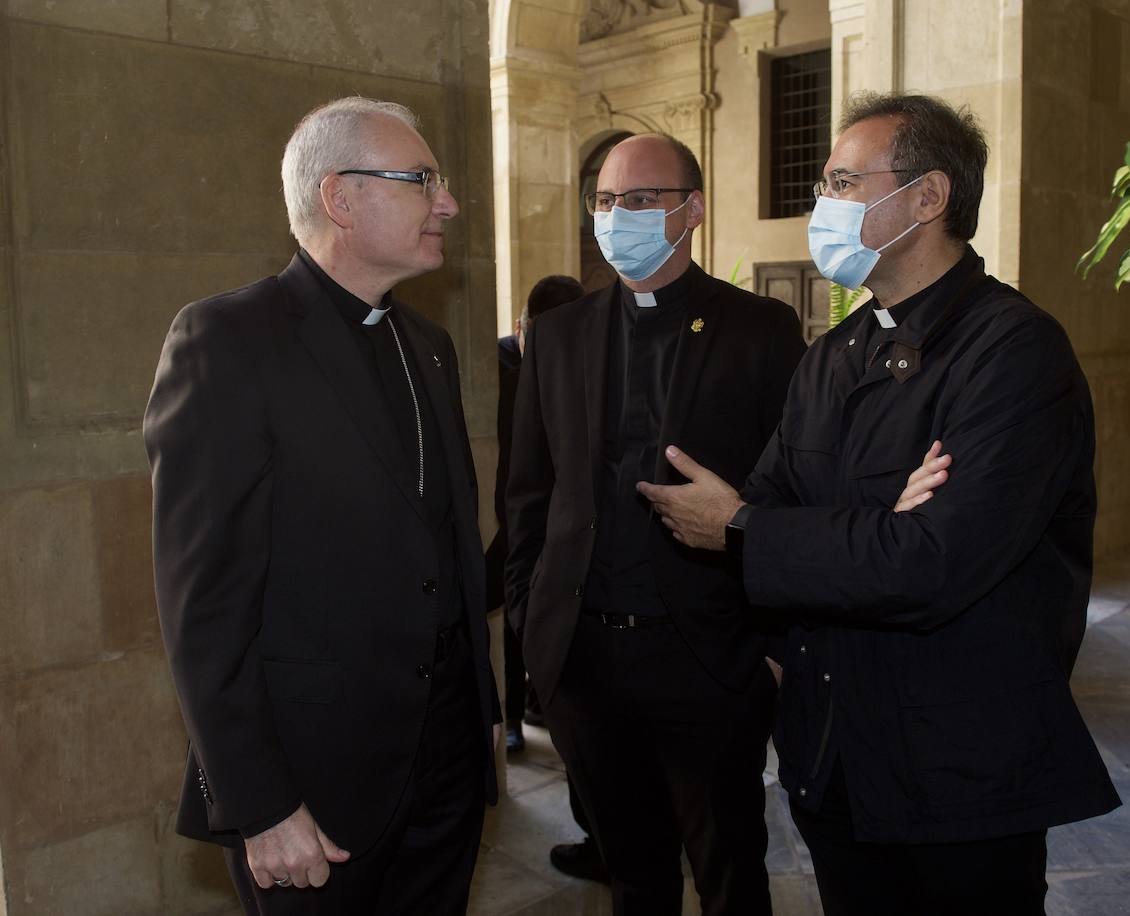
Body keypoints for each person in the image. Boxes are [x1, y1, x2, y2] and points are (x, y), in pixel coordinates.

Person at [639, 92, 1122, 915]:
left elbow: (933, 562)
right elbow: (781, 499)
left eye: (840, 182)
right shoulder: (834, 354)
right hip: (835, 756)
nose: (819, 205)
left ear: (927, 197)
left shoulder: (1013, 351)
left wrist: (763, 532)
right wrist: (864, 529)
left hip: (960, 775)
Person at [144, 97, 501, 915]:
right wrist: (259, 803)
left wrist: (478, 716)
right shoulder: (227, 342)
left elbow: (444, 548)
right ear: (341, 199)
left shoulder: (431, 347)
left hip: (442, 765)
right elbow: (203, 607)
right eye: (421, 181)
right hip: (312, 786)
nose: (446, 203)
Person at [503, 133, 806, 916]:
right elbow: (530, 494)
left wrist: (773, 651)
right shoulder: (561, 335)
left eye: (639, 199)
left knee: (730, 868)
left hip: (708, 657)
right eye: (605, 201)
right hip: (586, 661)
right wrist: (536, 634)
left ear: (693, 209)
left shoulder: (761, 329)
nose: (616, 216)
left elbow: (794, 492)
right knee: (632, 874)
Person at [486, 273, 587, 755]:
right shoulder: (499, 372)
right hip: (518, 529)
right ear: (522, 329)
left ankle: (537, 701)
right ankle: (511, 717)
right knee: (511, 616)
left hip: (569, 534)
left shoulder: (590, 373)